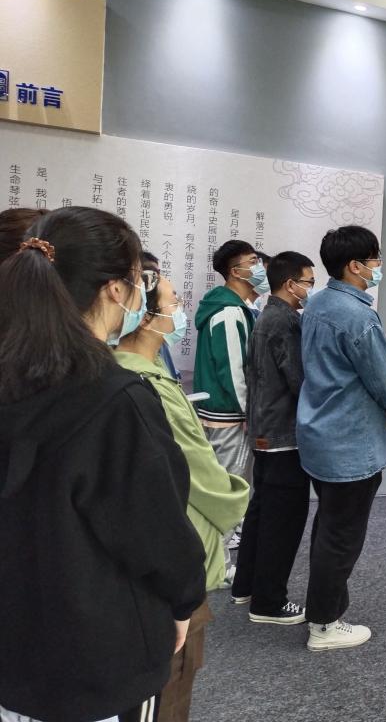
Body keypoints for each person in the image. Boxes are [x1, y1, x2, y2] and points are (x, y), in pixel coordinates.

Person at [0, 207, 206, 722]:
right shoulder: (114, 398)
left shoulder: (15, 379)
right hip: (92, 648)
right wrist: (183, 600)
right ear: (116, 288)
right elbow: (155, 529)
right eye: (141, 279)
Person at [113, 256, 250, 722]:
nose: (181, 310)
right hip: (175, 560)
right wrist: (238, 501)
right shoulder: (141, 384)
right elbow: (198, 474)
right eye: (173, 302)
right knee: (170, 682)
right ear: (142, 313)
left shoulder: (135, 371)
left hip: (167, 559)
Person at [297, 226, 386, 652]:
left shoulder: (317, 303)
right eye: (375, 259)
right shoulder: (358, 316)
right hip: (350, 442)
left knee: (328, 527)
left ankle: (320, 609)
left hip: (319, 434)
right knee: (341, 536)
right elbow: (383, 378)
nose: (379, 266)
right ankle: (324, 624)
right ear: (355, 266)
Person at [230, 251, 315, 626]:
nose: (311, 289)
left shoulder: (267, 316)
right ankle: (268, 602)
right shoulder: (285, 321)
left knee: (261, 512)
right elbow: (298, 380)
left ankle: (246, 587)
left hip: (265, 429)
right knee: (283, 519)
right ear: (290, 284)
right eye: (309, 282)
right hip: (283, 435)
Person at [192, 240, 266, 555]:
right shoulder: (230, 312)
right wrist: (249, 412)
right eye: (253, 261)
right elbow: (234, 371)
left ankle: (219, 554)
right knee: (229, 489)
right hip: (229, 416)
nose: (260, 267)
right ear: (236, 272)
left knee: (227, 486)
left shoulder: (234, 308)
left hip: (225, 414)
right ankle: (218, 564)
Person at [140, 251, 182, 381]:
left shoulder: (158, 349)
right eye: (174, 303)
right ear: (146, 318)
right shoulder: (140, 376)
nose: (180, 310)